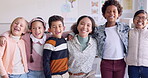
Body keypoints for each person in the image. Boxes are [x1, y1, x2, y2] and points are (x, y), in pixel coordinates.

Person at [92, 0, 130, 78]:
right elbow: (86, 33)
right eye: (108, 11)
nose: (111, 13)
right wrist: (71, 33)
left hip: (120, 62)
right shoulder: (98, 30)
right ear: (104, 14)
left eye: (114, 11)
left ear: (118, 14)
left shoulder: (125, 27)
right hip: (106, 63)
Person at [126, 10, 148, 78]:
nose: (140, 20)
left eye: (143, 18)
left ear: (147, 21)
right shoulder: (129, 32)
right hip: (132, 66)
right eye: (137, 17)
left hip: (146, 66)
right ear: (133, 20)